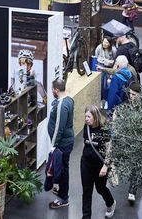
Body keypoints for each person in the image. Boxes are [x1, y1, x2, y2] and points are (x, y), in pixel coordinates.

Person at [80, 105, 116, 219]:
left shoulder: (104, 129)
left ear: (95, 117)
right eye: (85, 116)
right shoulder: (86, 127)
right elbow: (85, 143)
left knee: (100, 188)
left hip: (100, 166)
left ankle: (110, 203)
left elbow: (110, 149)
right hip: (86, 164)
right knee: (86, 192)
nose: (86, 119)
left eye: (88, 117)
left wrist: (105, 166)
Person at [48, 79, 75, 210]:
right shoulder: (69, 99)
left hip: (62, 144)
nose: (51, 90)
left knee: (63, 169)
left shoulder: (61, 106)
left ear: (56, 90)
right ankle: (60, 188)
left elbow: (59, 127)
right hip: (66, 142)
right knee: (62, 166)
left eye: (52, 89)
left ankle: (63, 198)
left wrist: (54, 145)